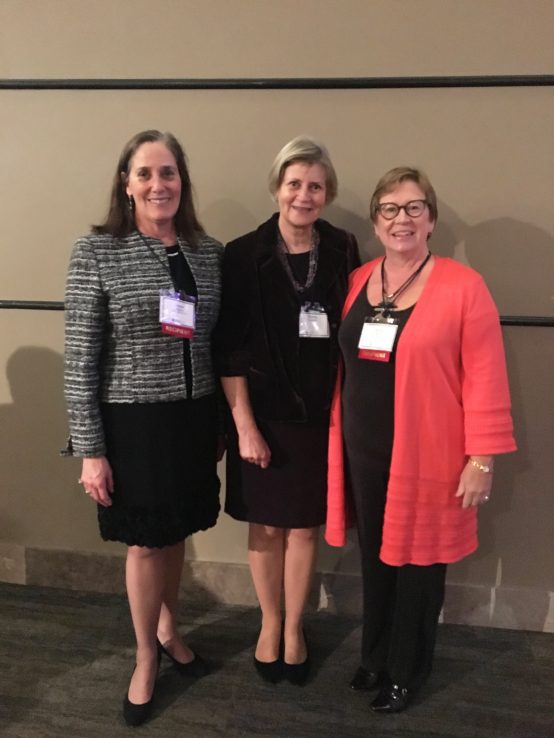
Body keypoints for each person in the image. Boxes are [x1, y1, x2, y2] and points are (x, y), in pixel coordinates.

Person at [325, 167, 516, 713]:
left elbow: (485, 374)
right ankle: (375, 655)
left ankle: (407, 670)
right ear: (376, 221)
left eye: (413, 208)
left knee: (420, 565)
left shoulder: (463, 286)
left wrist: (482, 459)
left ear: (431, 219)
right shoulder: (361, 279)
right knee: (377, 559)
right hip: (364, 451)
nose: (401, 219)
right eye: (389, 208)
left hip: (430, 451)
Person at [64, 130, 223, 726]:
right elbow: (81, 357)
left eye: (169, 173)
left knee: (176, 529)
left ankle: (169, 630)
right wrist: (91, 450)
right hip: (132, 419)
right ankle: (143, 655)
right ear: (126, 184)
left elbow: (213, 342)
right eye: (145, 174)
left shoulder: (207, 252)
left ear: (183, 181)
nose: (159, 185)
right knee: (145, 540)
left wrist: (221, 427)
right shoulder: (97, 250)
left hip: (193, 415)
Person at [215, 136, 360, 684]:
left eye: (315, 186)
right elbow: (229, 347)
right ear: (277, 187)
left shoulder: (344, 248)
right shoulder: (241, 254)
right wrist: (243, 426)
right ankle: (268, 624)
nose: (304, 195)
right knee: (266, 528)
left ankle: (295, 627)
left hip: (321, 417)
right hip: (260, 413)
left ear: (327, 195)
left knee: (303, 529)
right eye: (294, 183)